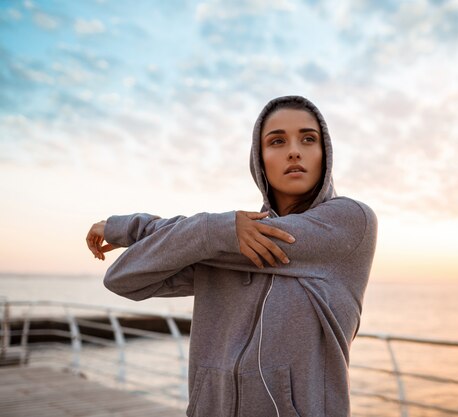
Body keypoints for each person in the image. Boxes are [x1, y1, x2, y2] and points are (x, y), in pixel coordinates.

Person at [86, 95, 377, 417]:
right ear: (259, 159)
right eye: (277, 141)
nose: (294, 150)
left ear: (325, 154)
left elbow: (237, 238)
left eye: (308, 139)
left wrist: (131, 229)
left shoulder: (350, 221)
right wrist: (214, 230)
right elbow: (123, 279)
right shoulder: (224, 241)